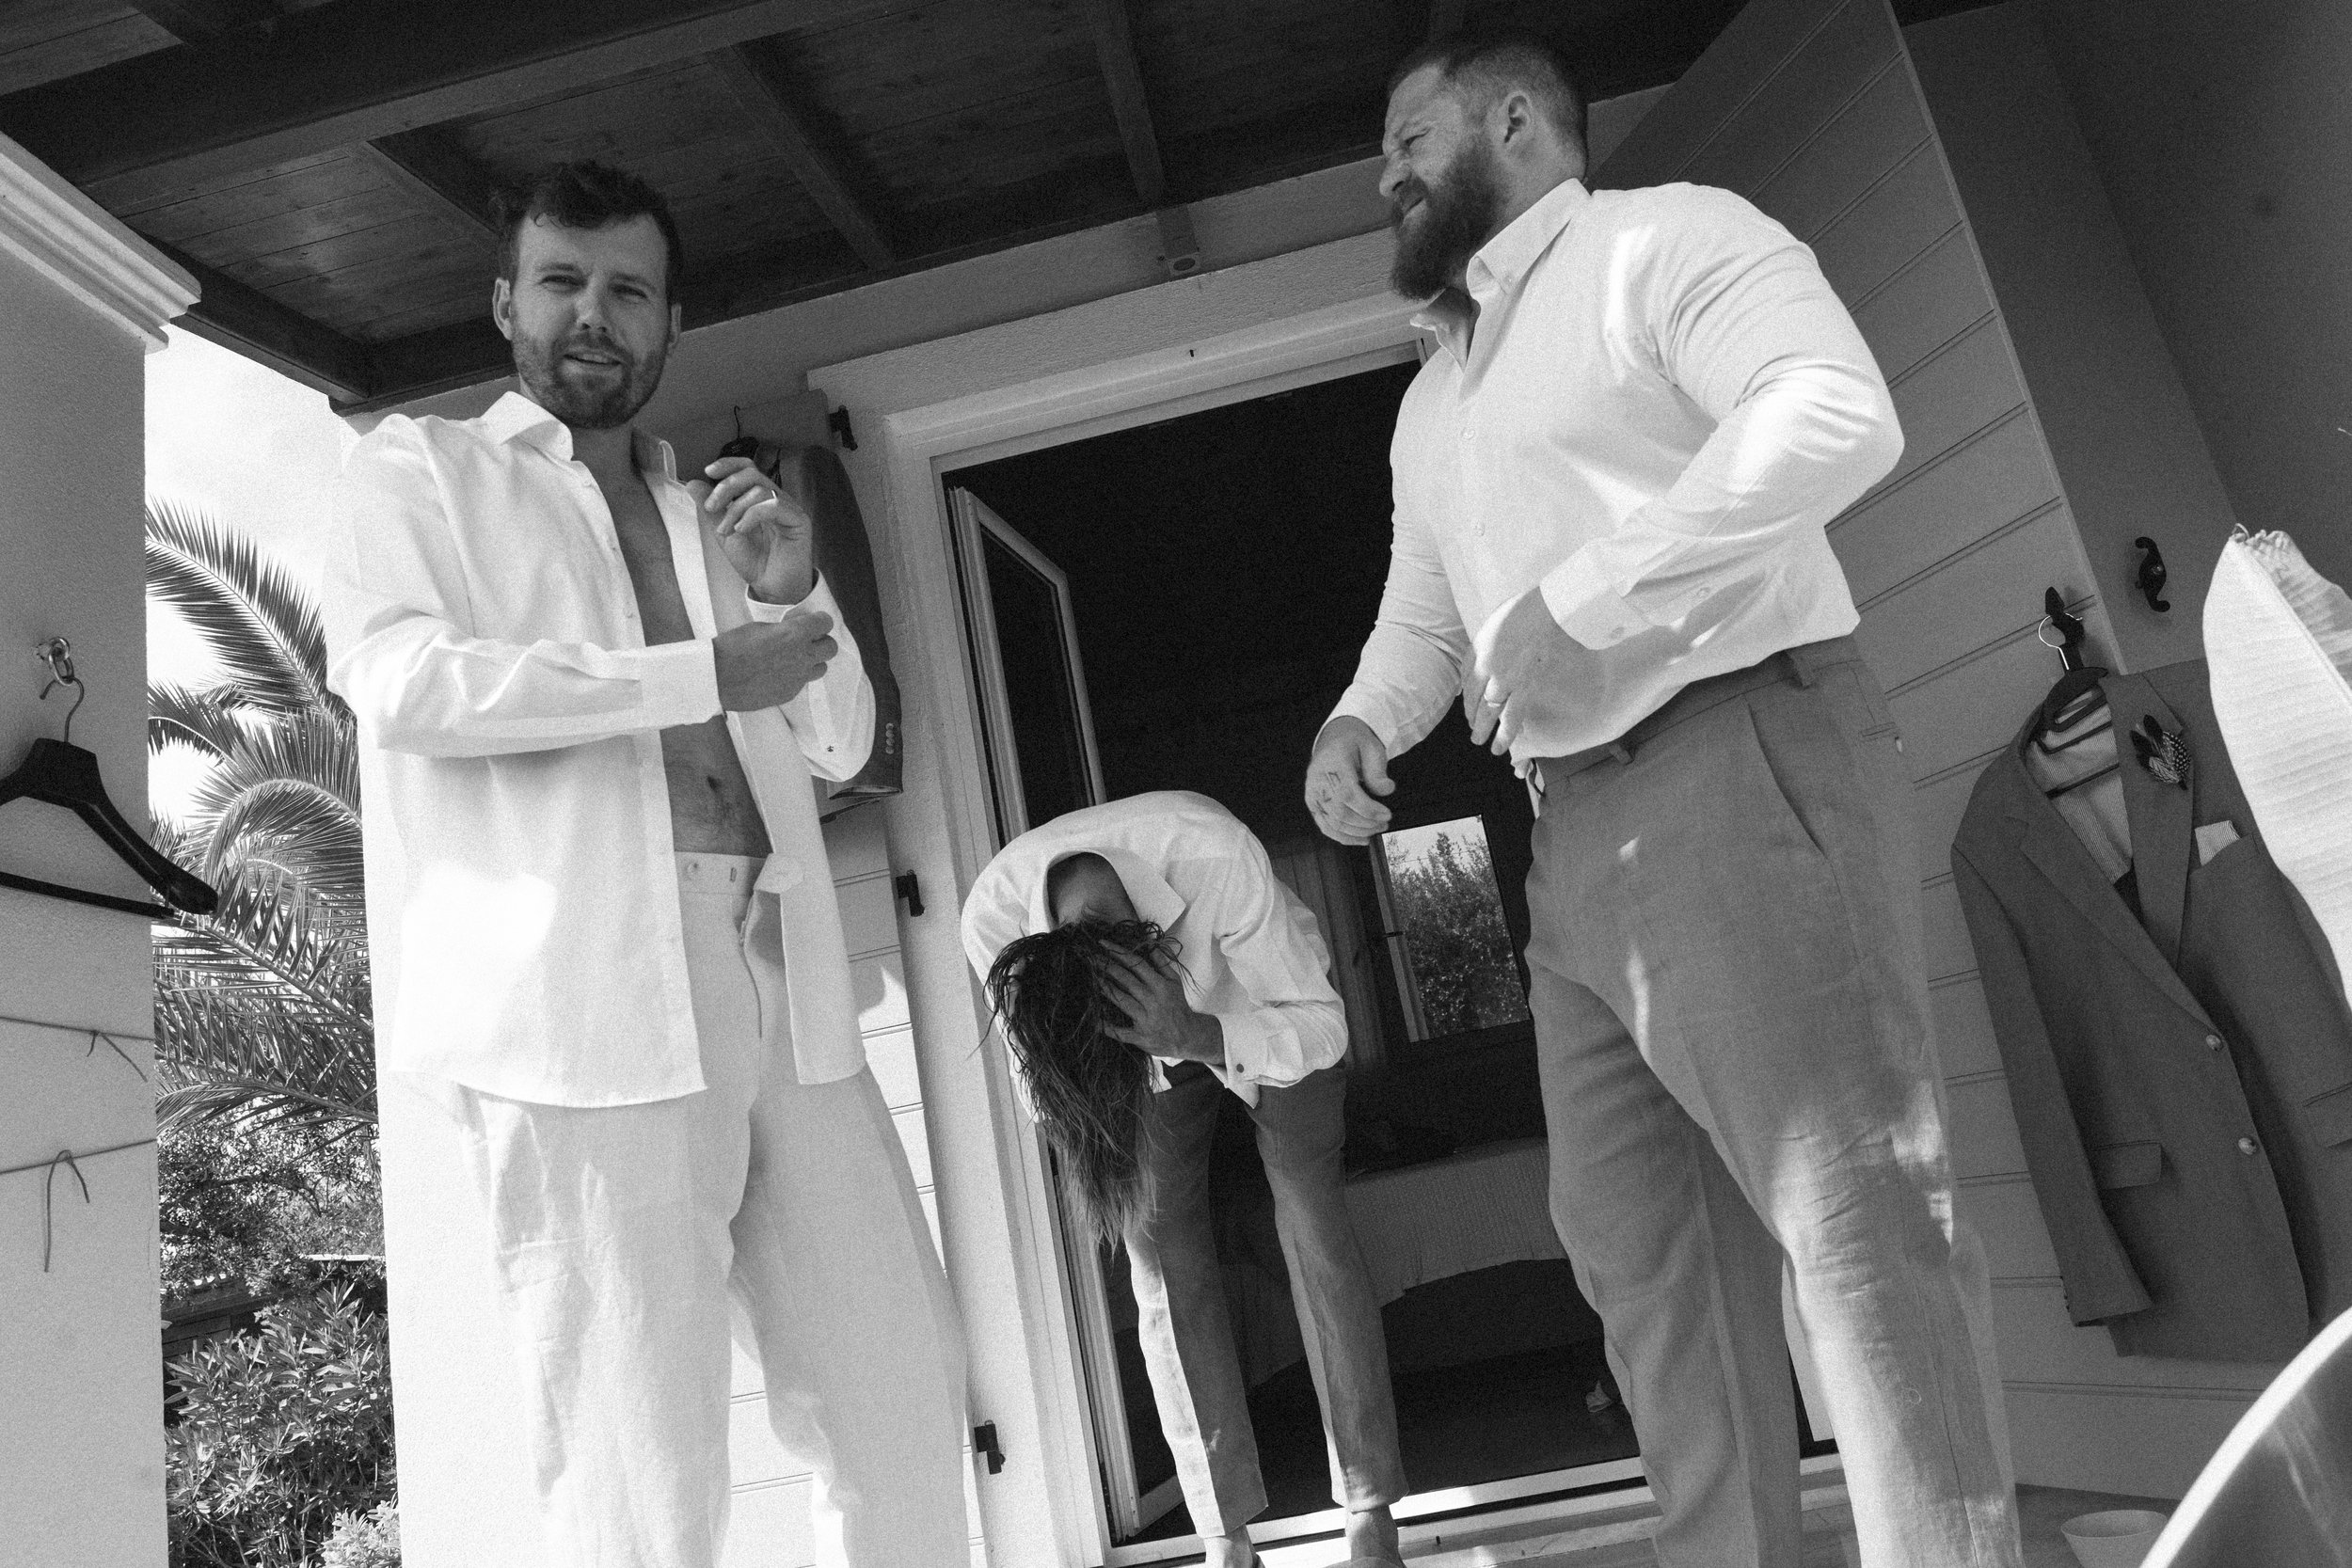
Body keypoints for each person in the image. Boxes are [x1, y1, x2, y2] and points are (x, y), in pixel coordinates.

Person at [1304, 35, 2024, 1568]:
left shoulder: (1667, 240)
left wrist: (1596, 597)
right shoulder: (1434, 403)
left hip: (1741, 746)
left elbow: (1835, 411)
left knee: (1855, 1235)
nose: (1387, 173)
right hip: (1574, 850)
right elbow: (1426, 619)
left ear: (1516, 120)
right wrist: (1360, 722)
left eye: (1408, 134)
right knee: (1652, 1273)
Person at [323, 161, 967, 1568]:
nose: (593, 315)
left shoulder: (717, 516)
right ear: (507, 302)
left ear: (670, 321)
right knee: (640, 1476)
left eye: (628, 290)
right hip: (582, 1008)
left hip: (784, 984)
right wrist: (698, 670)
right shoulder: (424, 471)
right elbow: (404, 684)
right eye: (562, 282)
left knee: (902, 1395)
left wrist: (794, 591)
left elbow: (845, 736)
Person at [961, 791, 1406, 1568]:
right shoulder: (994, 924)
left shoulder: (1212, 854)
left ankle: (1369, 1509)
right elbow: (1039, 1081)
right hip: (1129, 1061)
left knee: (1310, 1224)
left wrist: (1197, 1034)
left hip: (1268, 1014)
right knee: (1161, 1260)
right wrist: (1119, 1072)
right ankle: (1223, 1534)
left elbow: (1323, 1026)